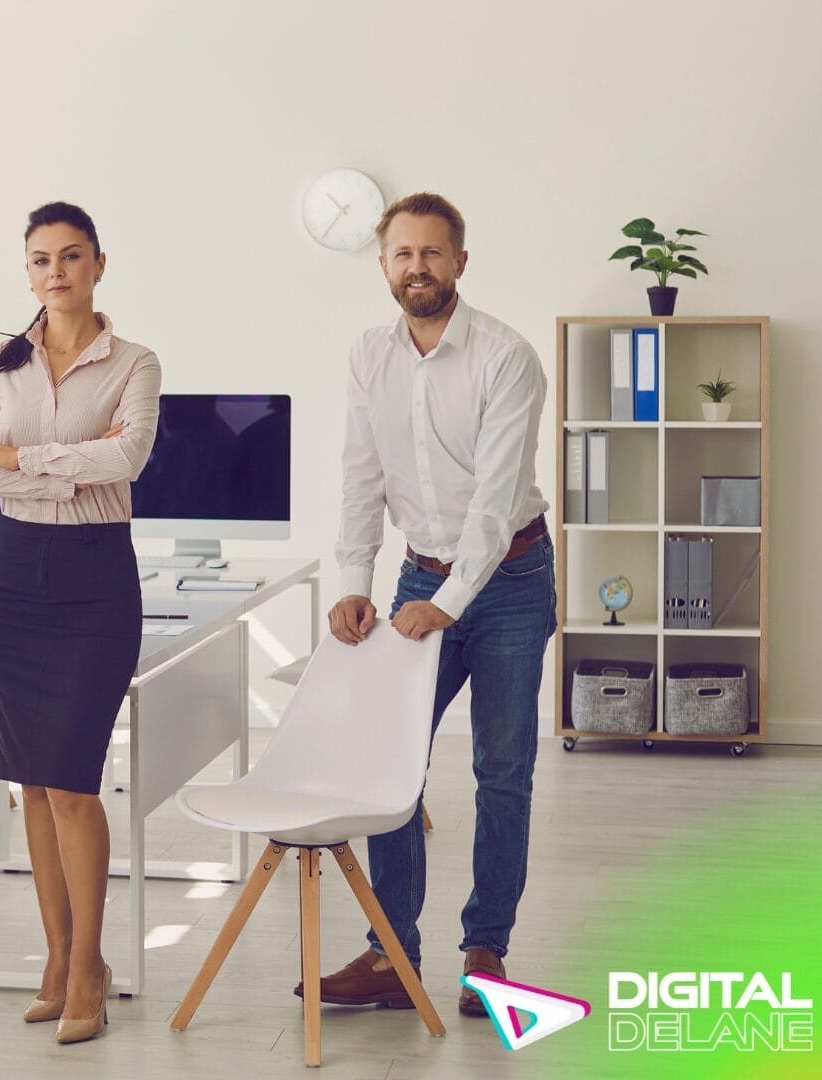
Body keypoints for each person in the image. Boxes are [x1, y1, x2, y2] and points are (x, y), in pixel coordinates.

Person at [306, 191, 553, 1020]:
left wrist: (447, 603)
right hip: (419, 577)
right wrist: (352, 581)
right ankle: (391, 955)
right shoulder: (369, 356)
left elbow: (491, 503)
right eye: (403, 254)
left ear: (460, 262)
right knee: (390, 767)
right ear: (384, 268)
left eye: (433, 253)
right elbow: (359, 477)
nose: (418, 267)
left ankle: (487, 953)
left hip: (511, 582)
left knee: (502, 774)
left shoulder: (507, 357)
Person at [0, 201, 160, 1044]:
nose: (56, 272)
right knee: (33, 780)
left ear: (99, 265)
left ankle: (89, 966)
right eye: (41, 259)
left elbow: (129, 459)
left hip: (96, 579)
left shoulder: (135, 363)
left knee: (75, 781)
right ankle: (56, 955)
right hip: (14, 579)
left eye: (71, 257)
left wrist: (21, 459)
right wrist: (59, 468)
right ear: (28, 269)